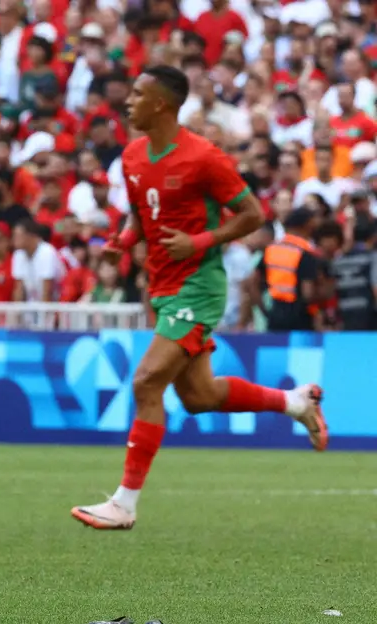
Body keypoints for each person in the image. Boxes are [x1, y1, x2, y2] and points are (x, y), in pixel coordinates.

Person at [71, 66, 327, 531]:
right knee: (198, 396)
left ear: (162, 104)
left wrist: (201, 241)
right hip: (164, 288)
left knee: (147, 381)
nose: (127, 101)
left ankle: (124, 504)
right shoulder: (131, 157)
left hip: (199, 286)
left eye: (137, 93)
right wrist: (125, 241)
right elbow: (140, 214)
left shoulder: (203, 157)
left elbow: (254, 214)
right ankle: (296, 403)